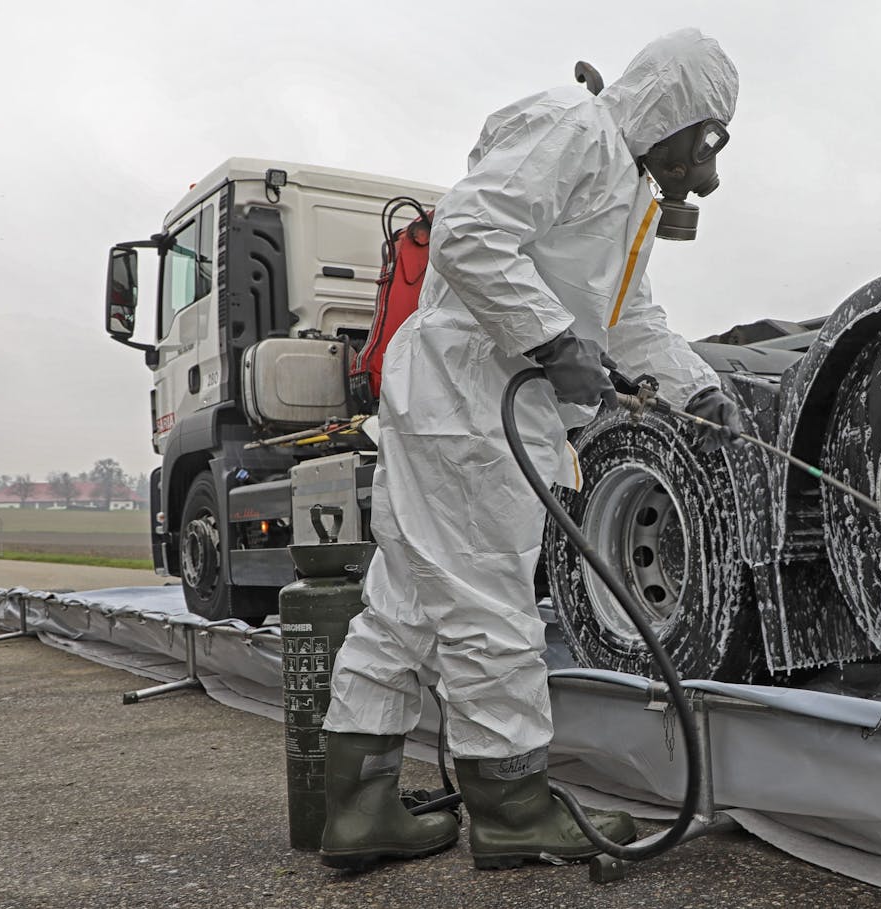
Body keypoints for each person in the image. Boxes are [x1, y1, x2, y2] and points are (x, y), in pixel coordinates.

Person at [318, 27, 742, 872]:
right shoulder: (577, 131)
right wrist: (550, 341)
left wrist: (697, 388)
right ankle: (512, 806)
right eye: (706, 143)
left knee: (404, 602)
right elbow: (470, 231)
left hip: (453, 403)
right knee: (490, 601)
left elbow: (626, 319)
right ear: (677, 113)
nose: (708, 169)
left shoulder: (627, 194)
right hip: (472, 402)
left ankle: (356, 808)